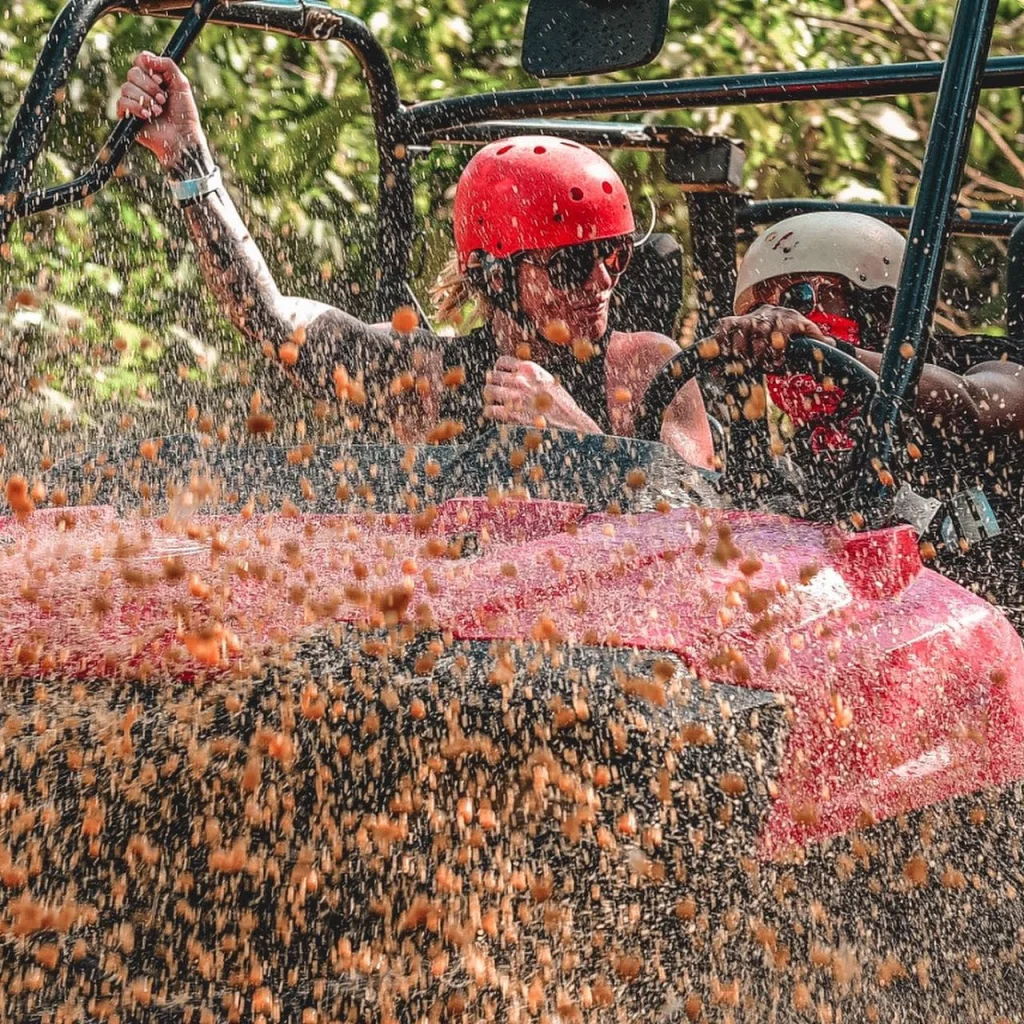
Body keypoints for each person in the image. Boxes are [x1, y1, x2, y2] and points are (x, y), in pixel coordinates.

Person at [114, 53, 713, 468]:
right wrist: (186, 157)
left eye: (613, 253)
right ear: (494, 277)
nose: (602, 279)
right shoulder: (426, 381)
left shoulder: (648, 370)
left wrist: (576, 437)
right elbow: (267, 317)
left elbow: (699, 522)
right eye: (570, 263)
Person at [705, 211, 1024, 628]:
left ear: (879, 306)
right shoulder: (804, 458)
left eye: (800, 298)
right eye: (763, 310)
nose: (778, 323)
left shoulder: (984, 368)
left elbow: (975, 404)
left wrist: (832, 353)